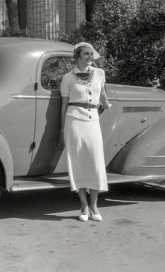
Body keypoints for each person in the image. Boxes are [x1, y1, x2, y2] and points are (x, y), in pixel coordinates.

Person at [60, 42, 111, 222]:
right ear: (78, 57)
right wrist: (61, 128)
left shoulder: (99, 73)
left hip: (93, 120)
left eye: (91, 54)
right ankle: (83, 205)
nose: (90, 57)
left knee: (96, 161)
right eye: (86, 54)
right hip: (74, 120)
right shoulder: (68, 78)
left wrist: (105, 105)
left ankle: (94, 205)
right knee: (78, 162)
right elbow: (64, 104)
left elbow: (103, 95)